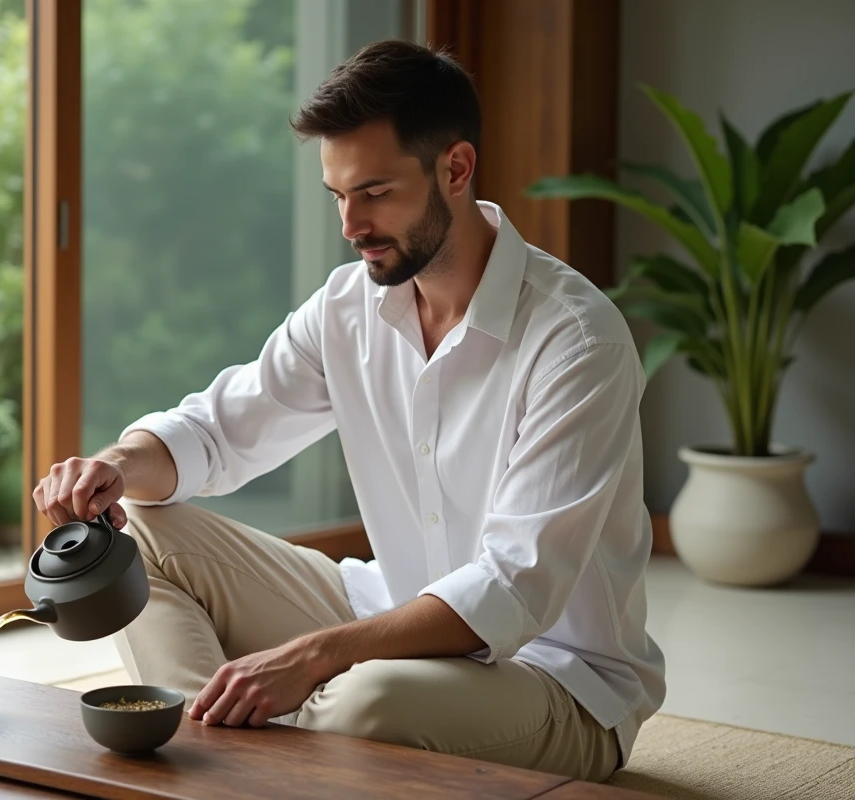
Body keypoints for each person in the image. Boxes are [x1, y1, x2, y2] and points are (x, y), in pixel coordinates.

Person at [33, 39, 665, 783]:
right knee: (137, 528)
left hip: (558, 680)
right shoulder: (348, 307)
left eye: (375, 192)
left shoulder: (575, 340)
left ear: (456, 169)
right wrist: (112, 466)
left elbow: (511, 590)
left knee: (364, 700)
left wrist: (318, 655)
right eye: (338, 195)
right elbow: (217, 430)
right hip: (385, 605)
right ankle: (222, 771)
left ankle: (268, 755)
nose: (350, 225)